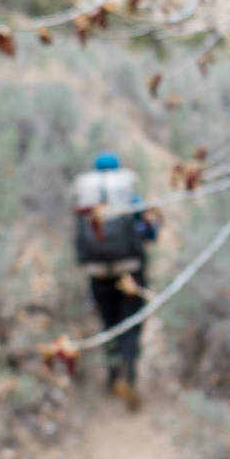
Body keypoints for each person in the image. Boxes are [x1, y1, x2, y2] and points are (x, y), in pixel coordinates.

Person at [71, 151, 157, 410]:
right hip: (131, 271)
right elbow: (150, 234)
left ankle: (112, 374)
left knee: (109, 323)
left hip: (98, 274)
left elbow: (79, 240)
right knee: (131, 324)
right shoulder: (130, 198)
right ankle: (129, 375)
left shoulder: (86, 202)